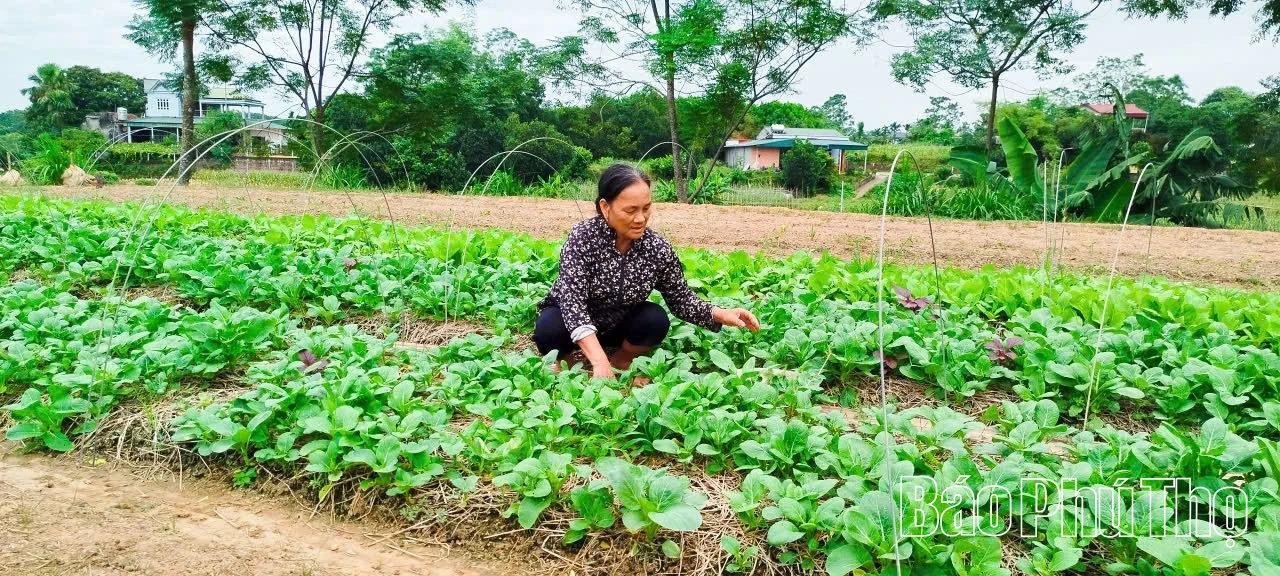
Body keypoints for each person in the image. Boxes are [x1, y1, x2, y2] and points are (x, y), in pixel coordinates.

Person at [533, 163, 760, 380]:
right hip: (573, 323)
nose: (640, 218)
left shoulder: (656, 248)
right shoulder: (583, 238)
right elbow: (573, 305)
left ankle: (621, 361)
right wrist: (598, 361)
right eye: (630, 210)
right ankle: (570, 363)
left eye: (646, 208)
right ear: (605, 207)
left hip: (617, 323)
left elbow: (680, 298)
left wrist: (720, 313)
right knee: (549, 328)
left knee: (655, 319)